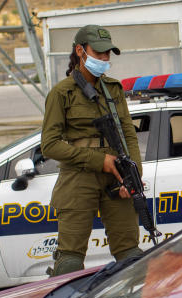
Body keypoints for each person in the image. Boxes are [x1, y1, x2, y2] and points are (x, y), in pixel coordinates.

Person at [41, 25, 143, 276]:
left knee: (130, 254)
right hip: (78, 177)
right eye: (98, 53)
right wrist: (99, 161)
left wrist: (134, 175)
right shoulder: (61, 93)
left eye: (108, 53)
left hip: (117, 174)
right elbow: (50, 144)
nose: (105, 58)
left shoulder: (114, 89)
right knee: (70, 261)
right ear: (80, 51)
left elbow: (128, 133)